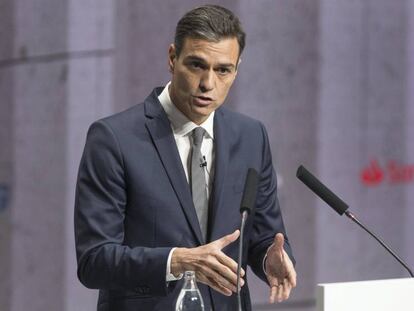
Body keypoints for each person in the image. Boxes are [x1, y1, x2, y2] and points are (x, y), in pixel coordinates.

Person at [74, 4, 297, 311]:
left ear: (236, 69)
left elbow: (261, 235)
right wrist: (177, 261)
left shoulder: (251, 137)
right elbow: (94, 260)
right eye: (196, 65)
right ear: (171, 58)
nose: (208, 83)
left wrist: (269, 258)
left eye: (222, 70)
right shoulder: (113, 138)